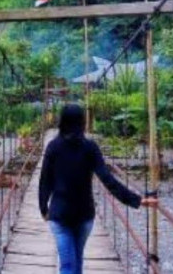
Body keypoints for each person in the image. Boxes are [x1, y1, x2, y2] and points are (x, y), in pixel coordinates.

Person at [39, 104, 157, 274]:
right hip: (84, 214)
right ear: (82, 122)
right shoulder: (90, 147)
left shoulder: (53, 147)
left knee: (69, 265)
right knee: (75, 263)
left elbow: (45, 181)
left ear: (62, 121)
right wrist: (137, 200)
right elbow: (107, 179)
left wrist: (44, 208)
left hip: (60, 214)